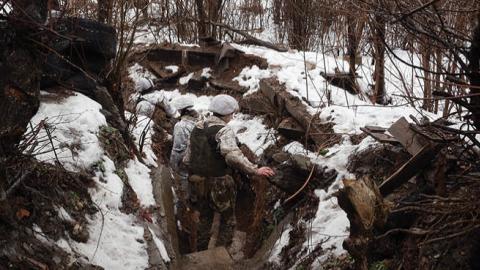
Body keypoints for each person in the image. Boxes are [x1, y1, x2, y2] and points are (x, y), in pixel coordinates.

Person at [184, 94, 275, 252]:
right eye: (232, 113)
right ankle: (221, 254)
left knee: (204, 219)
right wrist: (254, 169)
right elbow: (232, 155)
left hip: (196, 182)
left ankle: (201, 254)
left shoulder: (197, 127)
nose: (232, 116)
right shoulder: (223, 130)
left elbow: (187, 157)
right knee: (228, 220)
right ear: (227, 114)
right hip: (218, 183)